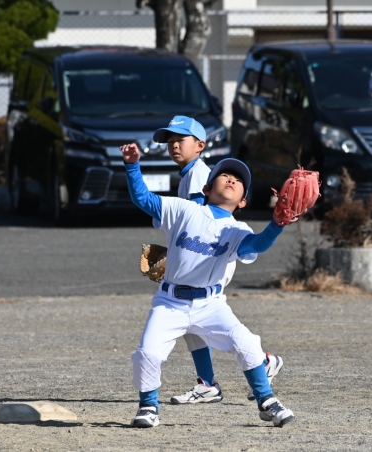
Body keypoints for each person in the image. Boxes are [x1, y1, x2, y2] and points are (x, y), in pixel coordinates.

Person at [120, 142, 296, 428]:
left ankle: (266, 401)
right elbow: (142, 198)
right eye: (224, 175)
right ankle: (148, 406)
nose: (231, 180)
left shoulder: (238, 229)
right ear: (206, 188)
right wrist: (132, 165)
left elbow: (256, 245)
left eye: (238, 180)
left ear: (242, 202)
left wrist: (276, 224)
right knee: (147, 353)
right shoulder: (184, 209)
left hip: (211, 305)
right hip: (170, 302)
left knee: (247, 343)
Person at [153, 116, 284, 405]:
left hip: (211, 259)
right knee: (191, 323)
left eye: (181, 139)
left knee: (200, 316)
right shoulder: (191, 173)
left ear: (200, 145)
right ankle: (208, 382)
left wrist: (179, 255)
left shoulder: (199, 176)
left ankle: (261, 361)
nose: (174, 145)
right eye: (170, 140)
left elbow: (200, 224)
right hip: (206, 257)